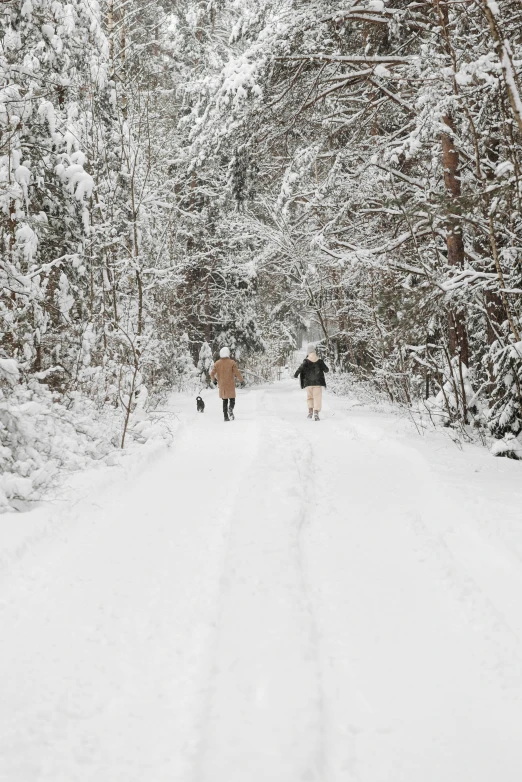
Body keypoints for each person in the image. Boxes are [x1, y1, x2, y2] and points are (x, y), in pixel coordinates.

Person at [294, 343, 329, 420]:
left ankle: (310, 411)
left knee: (310, 397)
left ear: (308, 352)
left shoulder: (306, 361)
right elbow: (326, 370)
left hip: (308, 383)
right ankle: (316, 412)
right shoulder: (319, 361)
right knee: (317, 398)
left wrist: (296, 374)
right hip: (317, 383)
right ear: (314, 352)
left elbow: (300, 368)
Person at [210, 347, 245, 422]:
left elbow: (212, 374)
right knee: (232, 399)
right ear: (228, 353)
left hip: (222, 385)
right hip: (230, 384)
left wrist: (214, 380)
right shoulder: (232, 362)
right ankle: (231, 409)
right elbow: (237, 373)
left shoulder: (217, 363)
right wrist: (241, 381)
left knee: (224, 401)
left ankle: (225, 417)